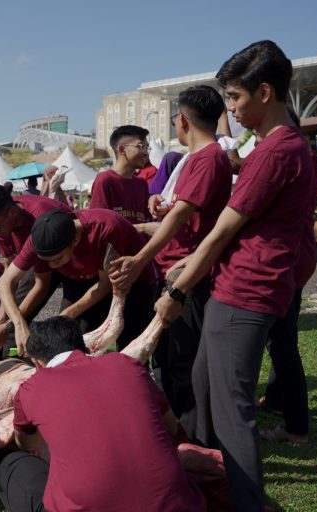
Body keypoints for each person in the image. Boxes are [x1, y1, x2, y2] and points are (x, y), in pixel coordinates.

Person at [152, 40, 316, 511]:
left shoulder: (274, 152)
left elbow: (223, 230)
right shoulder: (293, 148)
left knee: (231, 410)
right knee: (205, 383)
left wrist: (176, 289)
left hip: (245, 290)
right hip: (246, 285)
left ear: (265, 93)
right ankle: (208, 477)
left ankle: (243, 501)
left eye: (236, 98)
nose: (232, 110)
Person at [110, 85, 232, 439]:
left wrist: (139, 258)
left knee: (183, 361)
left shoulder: (208, 158)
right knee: (165, 357)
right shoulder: (194, 159)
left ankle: (195, 440)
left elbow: (180, 218)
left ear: (183, 121)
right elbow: (179, 215)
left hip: (187, 273)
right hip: (174, 268)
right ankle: (172, 432)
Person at [0, 316, 205, 512]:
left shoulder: (32, 388)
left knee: (12, 466)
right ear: (83, 346)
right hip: (179, 505)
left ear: (37, 363)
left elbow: (26, 443)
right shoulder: (127, 364)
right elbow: (171, 427)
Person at [0, 208, 153, 354]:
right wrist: (17, 323)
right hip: (83, 278)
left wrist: (69, 312)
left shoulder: (104, 229)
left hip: (131, 280)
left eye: (57, 259)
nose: (52, 266)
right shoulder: (40, 238)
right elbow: (4, 283)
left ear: (74, 240)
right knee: (68, 341)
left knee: (130, 345)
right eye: (46, 261)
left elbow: (105, 284)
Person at [257, 109, 317, 445]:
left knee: (282, 342)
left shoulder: (292, 156)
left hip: (289, 257)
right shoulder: (309, 157)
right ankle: (277, 399)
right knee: (283, 336)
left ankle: (296, 427)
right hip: (299, 254)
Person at [0, 184, 71, 343]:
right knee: (12, 311)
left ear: (12, 212)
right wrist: (1, 317)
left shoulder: (38, 219)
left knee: (70, 328)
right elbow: (9, 274)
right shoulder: (0, 224)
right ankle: (14, 352)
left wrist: (11, 325)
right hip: (39, 258)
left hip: (71, 260)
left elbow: (42, 284)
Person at [90, 125, 152, 229]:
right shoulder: (105, 180)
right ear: (122, 149)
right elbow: (99, 225)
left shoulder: (141, 184)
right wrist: (142, 228)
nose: (146, 152)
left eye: (147, 147)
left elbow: (148, 220)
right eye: (141, 146)